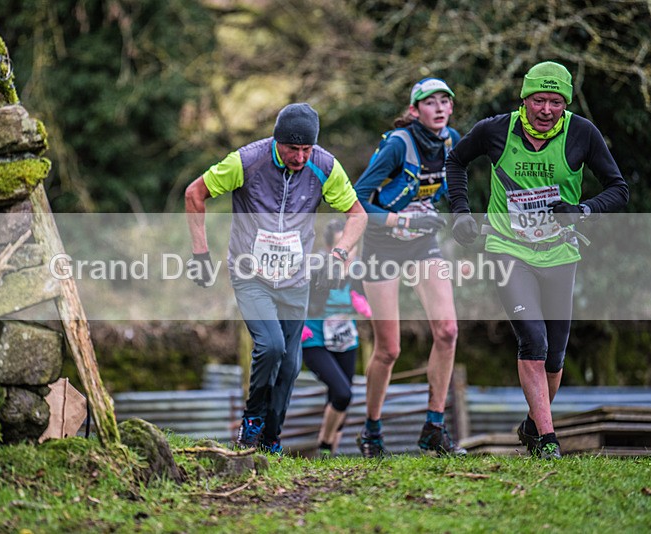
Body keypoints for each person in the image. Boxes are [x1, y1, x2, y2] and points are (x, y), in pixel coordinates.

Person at [446, 61, 629, 459]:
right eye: (538, 101)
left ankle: (532, 425)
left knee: (557, 354)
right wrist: (460, 211)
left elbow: (618, 189)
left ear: (565, 104)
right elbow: (456, 161)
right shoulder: (495, 130)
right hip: (508, 249)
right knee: (534, 337)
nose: (546, 110)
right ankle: (548, 440)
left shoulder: (582, 133)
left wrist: (581, 210)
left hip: (560, 252)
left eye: (555, 102)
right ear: (524, 99)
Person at [185, 103, 368, 453]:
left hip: (295, 280)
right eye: (291, 149)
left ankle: (271, 439)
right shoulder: (247, 161)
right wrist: (200, 254)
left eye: (306, 149)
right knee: (271, 346)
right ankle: (252, 421)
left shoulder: (325, 167)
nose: (299, 157)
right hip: (250, 274)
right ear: (276, 140)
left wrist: (339, 254)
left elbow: (357, 216)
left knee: (291, 364)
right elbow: (195, 193)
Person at [353, 77, 466, 457]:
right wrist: (400, 221)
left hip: (422, 245)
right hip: (382, 246)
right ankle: (371, 431)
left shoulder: (452, 141)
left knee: (448, 331)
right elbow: (357, 201)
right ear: (415, 110)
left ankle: (434, 426)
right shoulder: (398, 145)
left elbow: (453, 188)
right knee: (389, 350)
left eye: (444, 101)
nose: (438, 108)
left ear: (451, 108)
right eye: (429, 102)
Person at [301, 219, 372, 457]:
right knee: (343, 392)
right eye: (344, 246)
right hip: (315, 339)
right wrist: (296, 323)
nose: (349, 251)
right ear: (332, 248)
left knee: (338, 398)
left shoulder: (358, 270)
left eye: (353, 246)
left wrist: (359, 300)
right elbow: (295, 294)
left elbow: (363, 294)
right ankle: (324, 444)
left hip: (345, 338)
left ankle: (329, 454)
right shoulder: (317, 266)